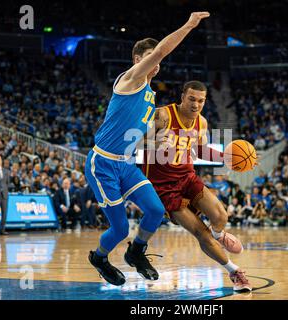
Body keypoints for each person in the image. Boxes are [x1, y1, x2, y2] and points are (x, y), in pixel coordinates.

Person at [85, 12, 211, 286]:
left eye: (156, 57)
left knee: (156, 210)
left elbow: (137, 139)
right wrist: (189, 25)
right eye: (150, 56)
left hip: (126, 164)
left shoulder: (150, 97)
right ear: (137, 60)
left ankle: (136, 252)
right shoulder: (130, 80)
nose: (156, 61)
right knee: (119, 228)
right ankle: (99, 257)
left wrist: (154, 142)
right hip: (103, 163)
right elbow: (162, 51)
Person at [143, 80, 254, 292]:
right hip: (164, 187)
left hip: (187, 176)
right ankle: (234, 271)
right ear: (183, 96)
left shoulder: (201, 122)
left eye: (201, 101)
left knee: (221, 216)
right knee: (201, 233)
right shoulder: (162, 115)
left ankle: (219, 235)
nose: (196, 105)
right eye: (192, 99)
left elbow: (200, 151)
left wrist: (225, 157)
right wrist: (154, 143)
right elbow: (134, 141)